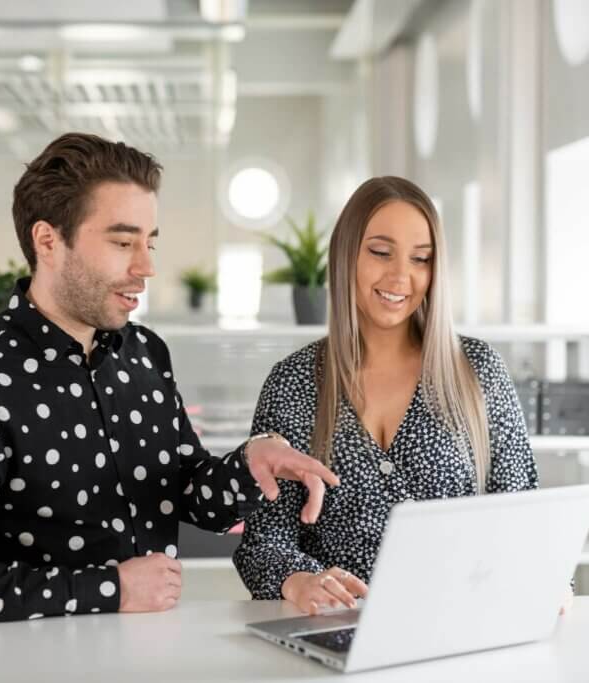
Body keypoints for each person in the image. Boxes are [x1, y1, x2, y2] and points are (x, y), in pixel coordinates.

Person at [0, 133, 339, 622]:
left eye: (149, 243)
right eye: (123, 242)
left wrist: (249, 465)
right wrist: (110, 588)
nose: (146, 266)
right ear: (48, 241)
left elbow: (187, 493)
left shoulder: (144, 353)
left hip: (145, 655)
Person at [233, 176, 563, 615]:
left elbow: (522, 515)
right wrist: (298, 580)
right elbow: (263, 542)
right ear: (347, 253)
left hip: (458, 623)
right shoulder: (293, 382)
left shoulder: (478, 370)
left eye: (421, 258)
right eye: (381, 252)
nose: (401, 276)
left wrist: (553, 579)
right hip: (334, 630)